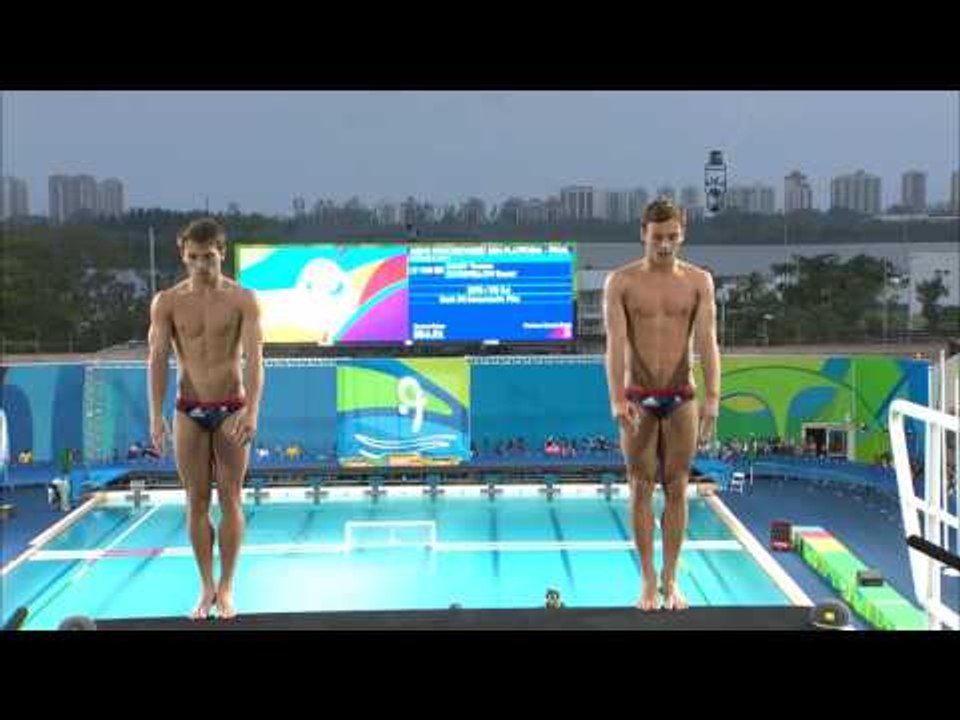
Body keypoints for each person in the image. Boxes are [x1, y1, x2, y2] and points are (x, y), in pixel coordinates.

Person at [603, 199, 720, 612]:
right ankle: (648, 580)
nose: (665, 245)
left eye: (672, 236)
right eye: (658, 238)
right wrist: (617, 397)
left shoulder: (699, 282)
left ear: (682, 233)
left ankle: (672, 579)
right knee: (639, 487)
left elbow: (707, 342)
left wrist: (712, 399)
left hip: (681, 395)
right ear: (643, 234)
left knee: (677, 487)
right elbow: (615, 344)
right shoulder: (621, 282)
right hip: (638, 396)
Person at [148, 218, 264, 620]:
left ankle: (227, 587)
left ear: (222, 253)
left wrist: (252, 409)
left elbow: (254, 360)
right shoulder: (167, 302)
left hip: (231, 406)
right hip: (188, 410)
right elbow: (157, 360)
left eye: (208, 257)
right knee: (195, 501)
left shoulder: (242, 299)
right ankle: (206, 587)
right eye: (193, 257)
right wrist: (155, 415)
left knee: (230, 498)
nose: (201, 265)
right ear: (183, 255)